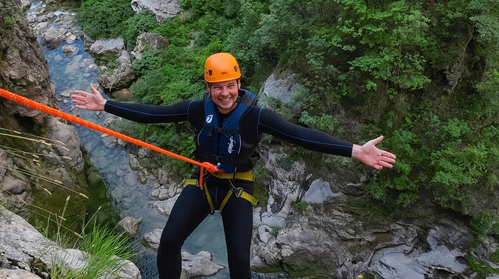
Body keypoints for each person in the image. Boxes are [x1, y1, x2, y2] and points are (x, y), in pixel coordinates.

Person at [72, 52, 396, 279]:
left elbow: (301, 135)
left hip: (237, 186)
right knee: (169, 242)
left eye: (230, 85)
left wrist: (354, 150)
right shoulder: (198, 110)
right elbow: (153, 114)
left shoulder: (256, 117)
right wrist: (106, 105)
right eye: (218, 87)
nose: (225, 93)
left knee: (239, 260)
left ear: (239, 84)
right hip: (201, 181)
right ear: (209, 88)